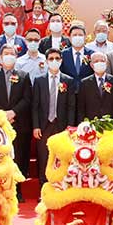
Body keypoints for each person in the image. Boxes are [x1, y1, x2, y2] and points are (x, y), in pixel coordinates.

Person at [0, 45, 32, 202]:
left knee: (20, 158)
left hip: (19, 123)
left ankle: (17, 191)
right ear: (1, 56)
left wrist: (13, 112)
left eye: (12, 53)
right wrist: (3, 115)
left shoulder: (23, 76)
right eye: (6, 53)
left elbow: (27, 98)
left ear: (16, 57)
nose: (9, 56)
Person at [32, 48, 77, 187]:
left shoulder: (68, 80)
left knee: (62, 157)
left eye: (57, 58)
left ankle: (61, 187)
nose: (54, 61)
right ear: (46, 61)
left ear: (61, 60)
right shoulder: (39, 81)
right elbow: (35, 105)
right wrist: (36, 126)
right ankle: (44, 187)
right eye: (51, 59)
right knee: (44, 157)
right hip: (44, 125)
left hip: (61, 125)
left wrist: (70, 127)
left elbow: (71, 106)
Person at [77, 52, 113, 123]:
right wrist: (82, 125)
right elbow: (81, 108)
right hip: (91, 124)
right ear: (91, 65)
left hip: (111, 124)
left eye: (102, 61)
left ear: (107, 63)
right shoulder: (84, 83)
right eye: (96, 61)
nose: (99, 63)